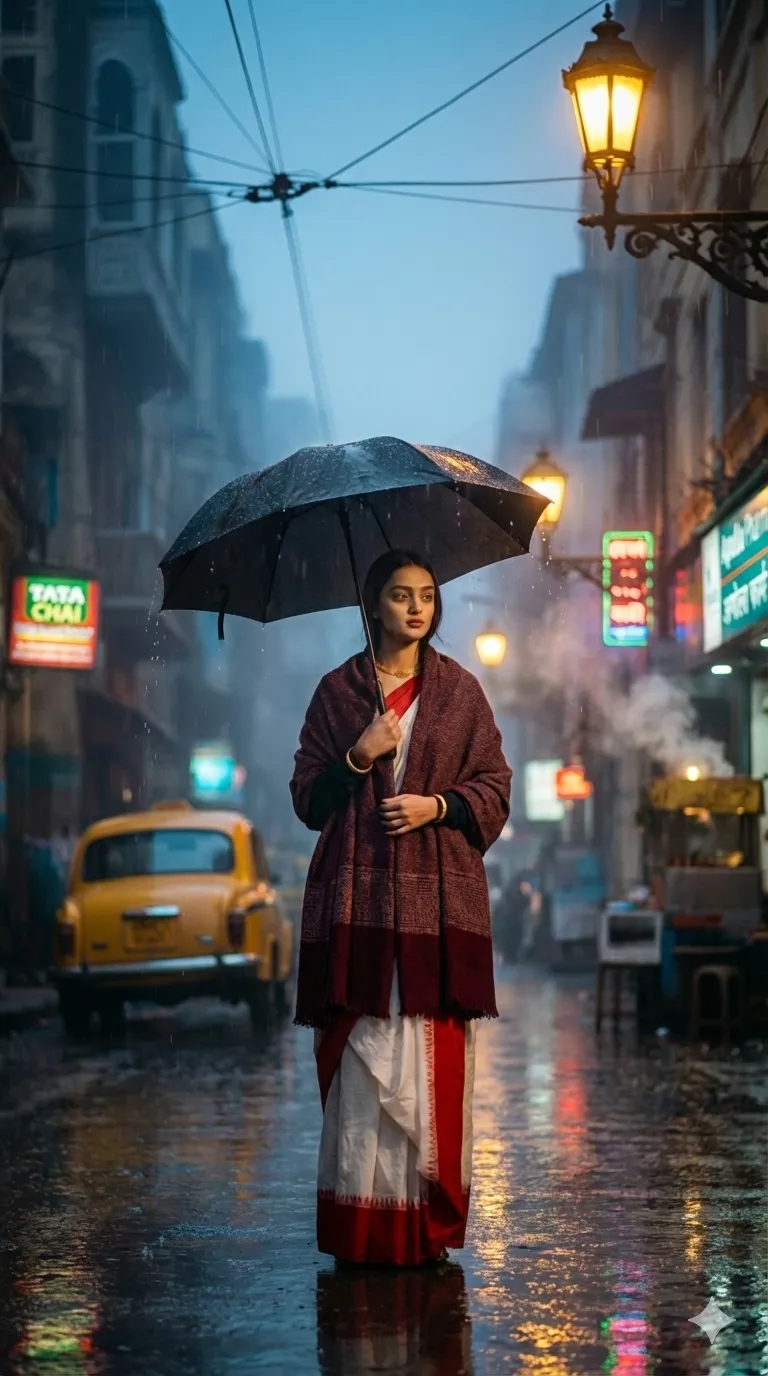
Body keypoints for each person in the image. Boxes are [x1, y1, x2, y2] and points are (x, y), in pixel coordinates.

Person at [291, 549, 511, 1267]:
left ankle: (425, 1229)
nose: (416, 607)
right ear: (373, 605)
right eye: (398, 595)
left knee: (429, 1062)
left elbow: (495, 788)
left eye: (425, 594)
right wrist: (359, 755)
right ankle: (363, 1230)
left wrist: (438, 805)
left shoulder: (460, 693)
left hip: (437, 906)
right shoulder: (336, 693)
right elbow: (306, 801)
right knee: (362, 1063)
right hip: (357, 905)